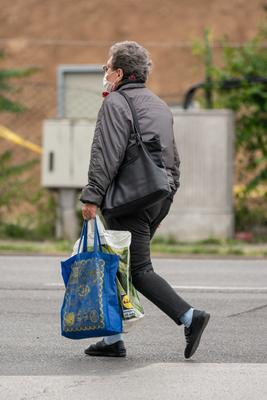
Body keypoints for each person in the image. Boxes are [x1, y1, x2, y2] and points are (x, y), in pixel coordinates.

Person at [80, 41, 210, 359]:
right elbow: (172, 159)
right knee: (115, 268)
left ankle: (189, 317)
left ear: (120, 72)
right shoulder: (158, 105)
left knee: (137, 269)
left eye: (107, 67)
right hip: (156, 196)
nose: (104, 72)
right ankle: (112, 340)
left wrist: (92, 196)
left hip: (129, 199)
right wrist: (166, 198)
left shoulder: (115, 104)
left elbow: (106, 154)